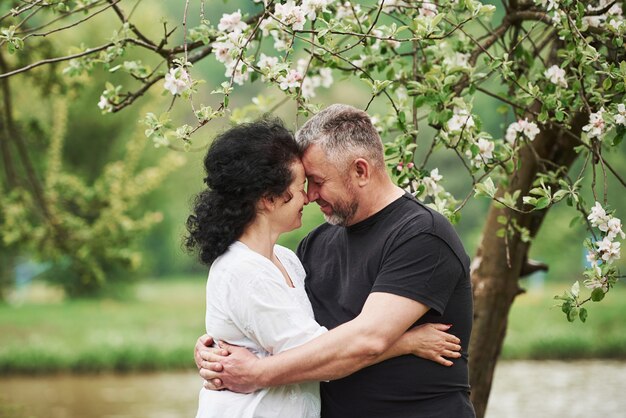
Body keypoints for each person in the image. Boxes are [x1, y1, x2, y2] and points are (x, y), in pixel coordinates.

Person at [186, 117, 463, 418]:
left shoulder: (420, 234)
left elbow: (366, 340)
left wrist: (256, 372)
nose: (311, 195)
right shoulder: (315, 244)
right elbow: (295, 338)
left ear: (360, 170)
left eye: (317, 181)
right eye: (304, 184)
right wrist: (215, 348)